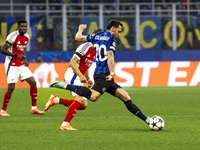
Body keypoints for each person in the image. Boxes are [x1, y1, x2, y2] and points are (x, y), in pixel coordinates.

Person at [50, 20, 152, 127]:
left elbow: (78, 38)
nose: (119, 34)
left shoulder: (96, 36)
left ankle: (147, 120)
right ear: (112, 28)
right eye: (118, 31)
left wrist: (80, 30)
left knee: (126, 97)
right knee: (93, 97)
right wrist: (112, 72)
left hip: (102, 75)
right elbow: (110, 56)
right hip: (104, 75)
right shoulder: (111, 39)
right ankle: (66, 86)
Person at [45, 28, 103, 130]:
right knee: (79, 99)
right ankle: (65, 124)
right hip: (73, 74)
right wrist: (81, 76)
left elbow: (85, 64)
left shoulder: (96, 50)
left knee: (83, 105)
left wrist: (88, 77)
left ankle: (55, 100)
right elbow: (72, 62)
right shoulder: (85, 47)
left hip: (80, 75)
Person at [0, 19, 45, 117]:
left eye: (25, 26)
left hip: (21, 64)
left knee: (33, 82)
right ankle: (3, 110)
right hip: (11, 65)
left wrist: (25, 60)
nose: (24, 28)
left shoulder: (27, 37)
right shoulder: (12, 36)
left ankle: (34, 108)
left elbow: (22, 50)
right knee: (11, 87)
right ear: (18, 27)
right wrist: (16, 56)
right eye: (22, 26)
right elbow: (2, 50)